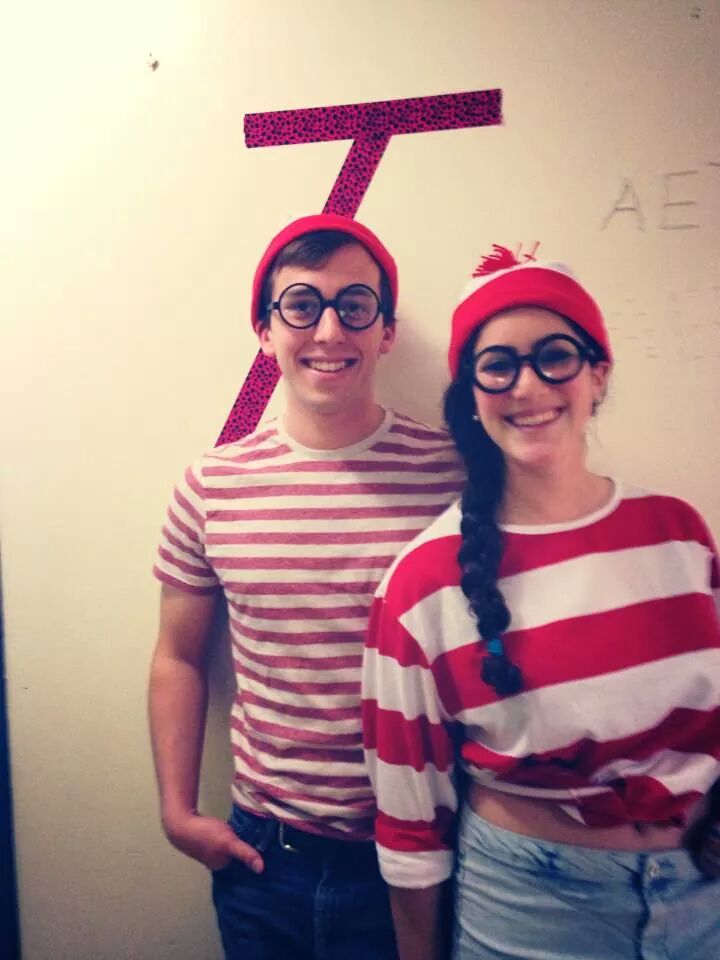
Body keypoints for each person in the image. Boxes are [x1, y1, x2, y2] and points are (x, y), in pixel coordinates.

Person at [362, 246, 720, 960]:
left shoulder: (679, 532)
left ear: (598, 373)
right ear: (471, 393)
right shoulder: (422, 583)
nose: (527, 386)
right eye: (498, 366)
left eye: (554, 356)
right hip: (530, 909)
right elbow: (409, 827)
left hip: (701, 894)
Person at [148, 213, 465, 960]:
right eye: (301, 305)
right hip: (263, 864)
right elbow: (178, 657)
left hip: (419, 861)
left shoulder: (452, 476)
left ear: (386, 331)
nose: (328, 331)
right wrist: (177, 813)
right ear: (265, 330)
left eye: (354, 306)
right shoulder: (212, 487)